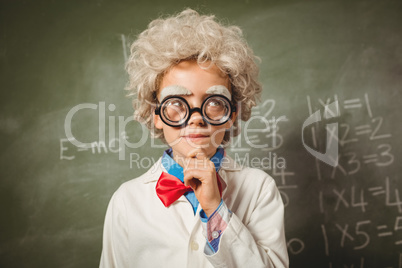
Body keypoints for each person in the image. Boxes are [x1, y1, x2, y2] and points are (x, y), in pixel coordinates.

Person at [100, 9, 289, 268]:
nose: (197, 118)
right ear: (156, 114)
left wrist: (215, 208)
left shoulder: (258, 189)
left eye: (214, 102)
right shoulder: (127, 200)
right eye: (177, 102)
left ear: (232, 114)